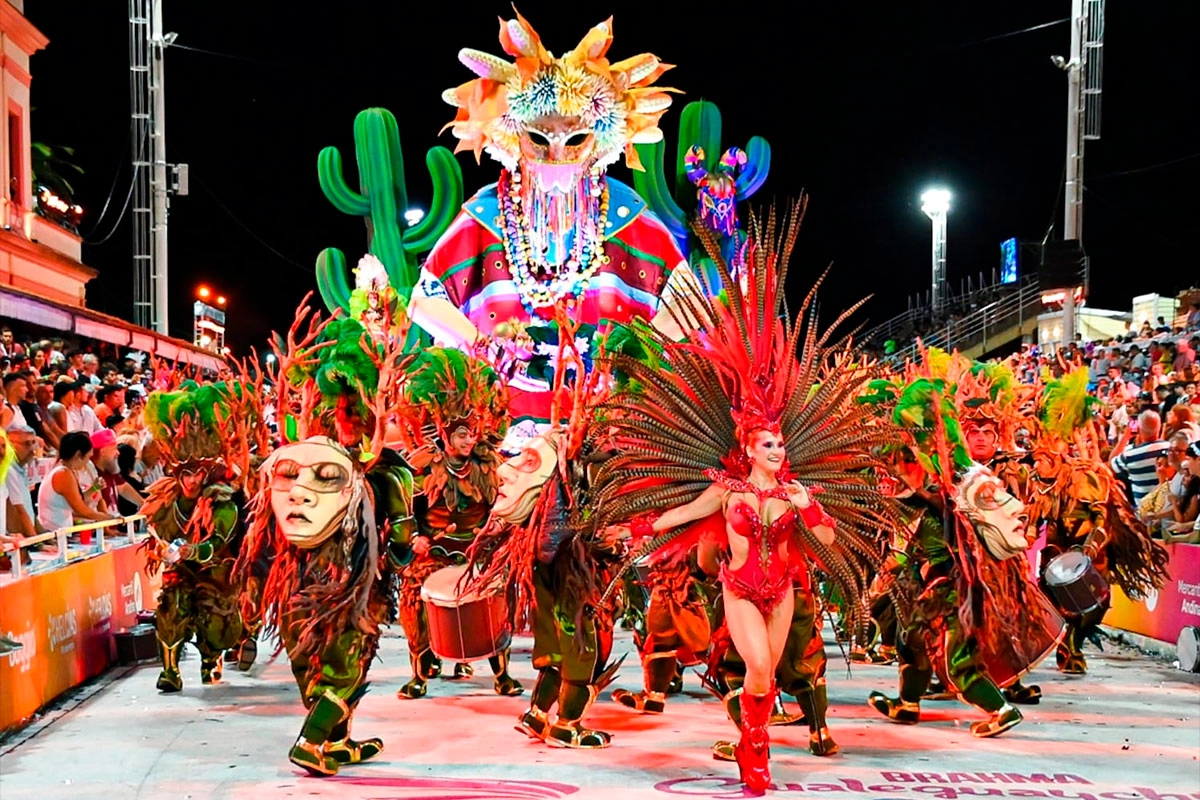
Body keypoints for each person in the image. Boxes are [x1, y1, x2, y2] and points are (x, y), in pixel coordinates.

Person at [589, 204, 895, 792]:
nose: (779, 449)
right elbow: (682, 514)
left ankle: (752, 742)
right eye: (769, 443)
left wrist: (809, 506)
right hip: (740, 586)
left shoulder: (794, 491)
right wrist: (639, 528)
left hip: (781, 588)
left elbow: (827, 540)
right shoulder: (724, 489)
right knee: (755, 665)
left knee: (767, 677)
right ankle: (754, 755)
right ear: (749, 448)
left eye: (781, 442)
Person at [36, 431, 113, 533]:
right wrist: (110, 518)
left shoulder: (65, 470)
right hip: (54, 531)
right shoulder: (63, 474)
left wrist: (94, 489)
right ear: (78, 455)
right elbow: (81, 510)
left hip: (58, 530)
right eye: (88, 457)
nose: (88, 462)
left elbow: (78, 499)